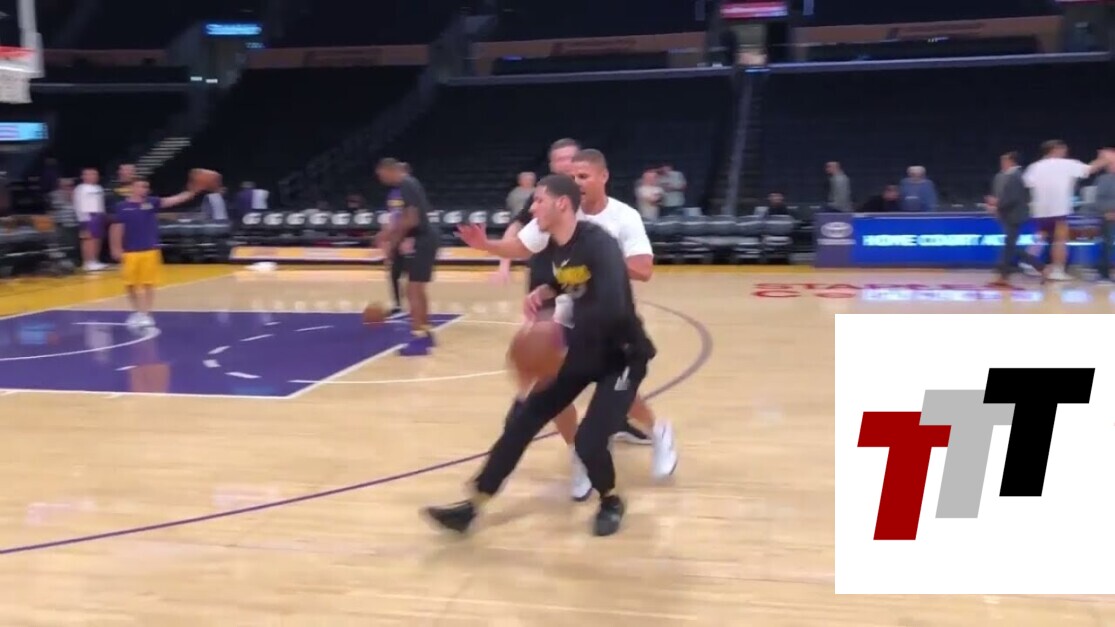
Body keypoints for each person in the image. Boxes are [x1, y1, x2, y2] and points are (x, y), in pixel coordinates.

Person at [424, 174, 655, 537]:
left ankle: (610, 500)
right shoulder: (558, 245)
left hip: (623, 354)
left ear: (561, 204)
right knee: (522, 420)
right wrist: (548, 290)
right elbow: (575, 277)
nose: (532, 208)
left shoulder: (601, 244)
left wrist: (555, 337)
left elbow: (613, 308)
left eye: (538, 200)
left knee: (589, 440)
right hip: (584, 349)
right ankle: (473, 505)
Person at [458, 149, 679, 500]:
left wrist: (600, 263)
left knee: (616, 392)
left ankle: (657, 430)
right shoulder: (558, 214)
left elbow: (644, 269)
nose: (577, 181)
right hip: (563, 318)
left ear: (603, 177)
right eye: (572, 176)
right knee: (551, 387)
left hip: (608, 321)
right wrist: (488, 246)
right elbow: (522, 246)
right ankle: (578, 453)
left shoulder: (622, 218)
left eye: (583, 176)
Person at [108, 178, 198, 329]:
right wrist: (115, 248)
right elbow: (116, 228)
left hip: (149, 250)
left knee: (148, 284)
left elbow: (173, 200)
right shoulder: (121, 207)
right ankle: (138, 312)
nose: (144, 189)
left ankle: (147, 314)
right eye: (141, 186)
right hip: (130, 252)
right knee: (130, 285)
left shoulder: (151, 202)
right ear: (132, 188)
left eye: (146, 187)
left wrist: (191, 192)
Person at [373, 158, 439, 356]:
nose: (381, 179)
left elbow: (411, 220)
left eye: (381, 175)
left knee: (413, 291)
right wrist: (387, 234)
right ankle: (426, 333)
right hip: (425, 239)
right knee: (417, 289)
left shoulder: (406, 184)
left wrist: (392, 241)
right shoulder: (409, 184)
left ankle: (419, 340)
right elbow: (404, 218)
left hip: (422, 239)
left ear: (389, 170)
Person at [1021, 140, 1108, 280]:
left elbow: (1027, 183)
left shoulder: (1034, 167)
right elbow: (1090, 169)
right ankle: (1058, 270)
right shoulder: (1066, 164)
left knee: (1042, 235)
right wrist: (1104, 158)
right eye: (1063, 149)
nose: (1065, 152)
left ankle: (1028, 260)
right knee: (1060, 240)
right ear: (1055, 150)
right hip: (1058, 209)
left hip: (1039, 210)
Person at [987, 151, 1044, 287]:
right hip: (1007, 215)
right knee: (1010, 246)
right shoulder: (1004, 176)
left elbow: (1013, 198)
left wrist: (996, 204)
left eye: (1004, 161)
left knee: (1009, 245)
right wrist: (995, 205)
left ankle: (1039, 267)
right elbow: (1002, 195)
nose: (1002, 163)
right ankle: (1005, 275)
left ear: (1012, 161)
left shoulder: (1017, 176)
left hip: (1014, 215)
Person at [73, 168, 107, 272]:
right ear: (83, 176)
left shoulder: (99, 188)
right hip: (87, 216)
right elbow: (78, 204)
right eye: (90, 174)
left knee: (98, 239)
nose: (93, 176)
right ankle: (87, 262)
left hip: (99, 215)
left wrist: (103, 215)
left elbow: (101, 203)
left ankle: (95, 260)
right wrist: (83, 219)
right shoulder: (80, 188)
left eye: (95, 174)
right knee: (88, 239)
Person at [1093, 147, 1115, 282]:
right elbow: (1099, 199)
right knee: (1106, 243)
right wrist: (1109, 211)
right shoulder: (1104, 179)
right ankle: (1104, 273)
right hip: (1109, 217)